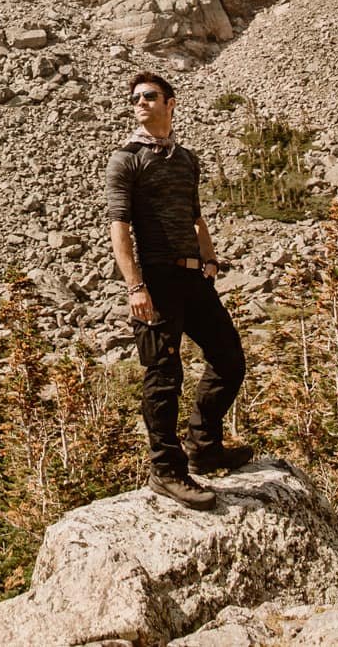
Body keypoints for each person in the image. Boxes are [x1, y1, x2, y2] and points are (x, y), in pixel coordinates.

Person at [105, 70, 251, 507]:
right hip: (157, 279)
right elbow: (120, 227)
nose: (141, 103)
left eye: (150, 96)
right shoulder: (126, 158)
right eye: (135, 98)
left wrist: (209, 259)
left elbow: (195, 215)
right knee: (164, 376)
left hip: (193, 277)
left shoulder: (186, 158)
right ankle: (166, 471)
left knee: (229, 360)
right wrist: (135, 287)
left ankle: (203, 448)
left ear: (171, 102)